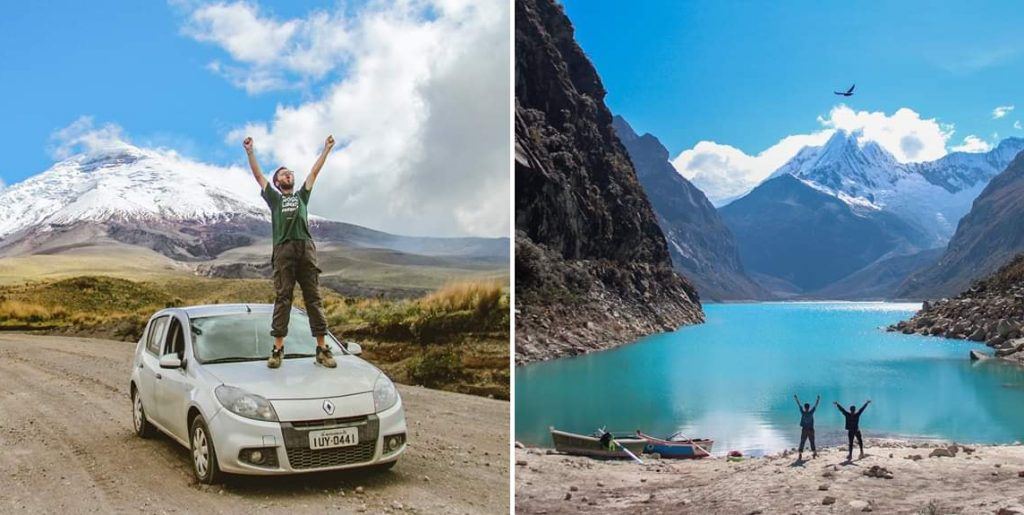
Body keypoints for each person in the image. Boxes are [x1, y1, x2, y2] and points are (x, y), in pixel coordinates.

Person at [243, 135, 337, 369]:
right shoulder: (275, 199)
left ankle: (322, 348)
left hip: (306, 247)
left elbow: (314, 173)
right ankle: (277, 348)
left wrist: (326, 150)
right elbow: (258, 176)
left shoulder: (302, 196)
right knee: (283, 297)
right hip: (283, 250)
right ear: (276, 182)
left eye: (290, 173)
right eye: (283, 174)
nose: (288, 175)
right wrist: (250, 152)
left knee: (313, 298)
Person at [794, 394, 819, 460]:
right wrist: (818, 399)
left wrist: (796, 398)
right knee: (812, 441)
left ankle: (800, 454)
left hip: (804, 430)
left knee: (802, 441)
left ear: (805, 408)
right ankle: (814, 453)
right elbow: (816, 405)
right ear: (809, 407)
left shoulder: (803, 413)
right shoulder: (811, 412)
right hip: (811, 429)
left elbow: (799, 405)